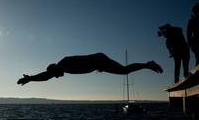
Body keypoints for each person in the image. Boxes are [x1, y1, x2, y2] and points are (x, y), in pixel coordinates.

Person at [17, 52, 163, 86]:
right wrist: (30, 78)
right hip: (98, 62)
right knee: (124, 71)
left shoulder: (64, 63)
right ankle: (147, 65)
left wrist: (30, 78)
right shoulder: (63, 67)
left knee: (124, 70)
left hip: (99, 60)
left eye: (56, 75)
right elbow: (46, 76)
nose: (58, 77)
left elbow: (46, 76)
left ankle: (147, 64)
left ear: (55, 69)